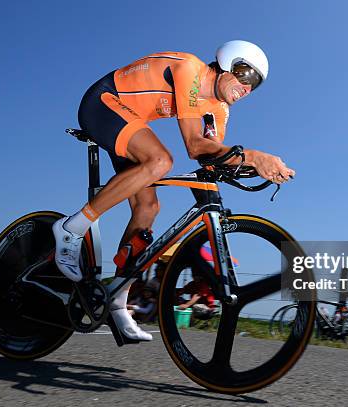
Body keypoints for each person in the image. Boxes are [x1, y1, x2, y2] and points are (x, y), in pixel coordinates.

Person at [52, 41, 294, 341]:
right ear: (227, 63)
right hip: (104, 103)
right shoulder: (190, 70)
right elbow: (194, 145)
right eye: (245, 75)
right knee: (160, 160)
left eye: (255, 85)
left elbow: (209, 155)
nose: (247, 87)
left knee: (148, 208)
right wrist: (254, 156)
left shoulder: (219, 110)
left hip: (130, 122)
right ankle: (71, 228)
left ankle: (116, 296)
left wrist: (254, 166)